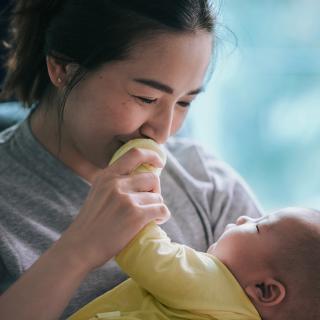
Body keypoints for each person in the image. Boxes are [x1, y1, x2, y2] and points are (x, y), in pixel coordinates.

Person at [0, 1, 262, 319]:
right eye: (146, 98)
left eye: (184, 102)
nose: (163, 132)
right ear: (63, 69)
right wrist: (79, 250)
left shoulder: (206, 183)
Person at [69, 207, 320, 320]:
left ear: (265, 290)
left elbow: (146, 252)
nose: (244, 216)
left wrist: (138, 193)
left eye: (257, 226)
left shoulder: (214, 284)